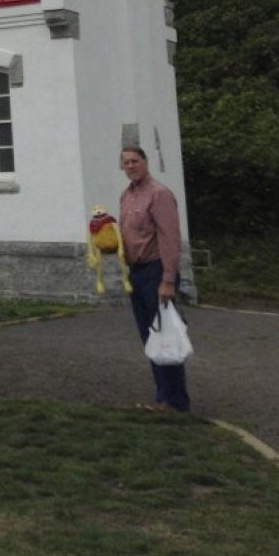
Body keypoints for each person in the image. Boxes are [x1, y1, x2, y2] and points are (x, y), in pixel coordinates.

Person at [118, 144, 190, 412]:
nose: (130, 166)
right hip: (135, 272)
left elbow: (170, 238)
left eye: (135, 161)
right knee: (150, 337)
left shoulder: (158, 194)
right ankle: (162, 397)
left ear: (146, 162)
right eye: (125, 163)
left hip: (156, 271)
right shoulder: (126, 196)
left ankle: (176, 401)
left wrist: (168, 279)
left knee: (166, 335)